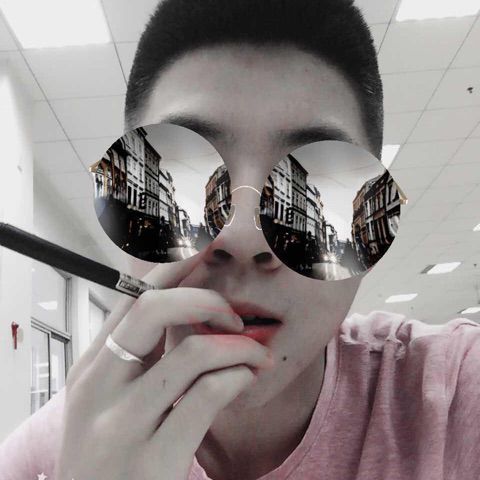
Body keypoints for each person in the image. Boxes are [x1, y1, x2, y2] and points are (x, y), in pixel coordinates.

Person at [1, 0, 480, 479]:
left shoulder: (456, 392)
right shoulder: (57, 454)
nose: (244, 236)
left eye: (318, 189)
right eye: (178, 177)